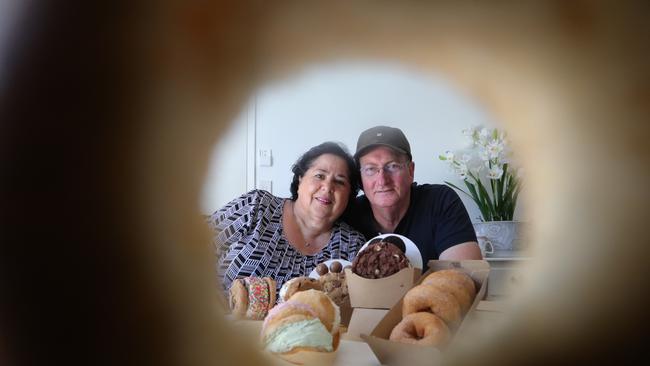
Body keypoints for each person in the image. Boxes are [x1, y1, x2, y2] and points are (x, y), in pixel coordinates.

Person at [207, 141, 366, 296]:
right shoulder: (256, 206)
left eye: (339, 181)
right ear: (300, 179)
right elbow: (192, 248)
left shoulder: (352, 246)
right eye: (320, 175)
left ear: (349, 195)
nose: (328, 187)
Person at [346, 125, 482, 267]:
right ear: (360, 178)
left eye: (392, 166)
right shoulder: (349, 213)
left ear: (411, 171)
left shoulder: (440, 201)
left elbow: (463, 277)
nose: (382, 181)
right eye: (370, 169)